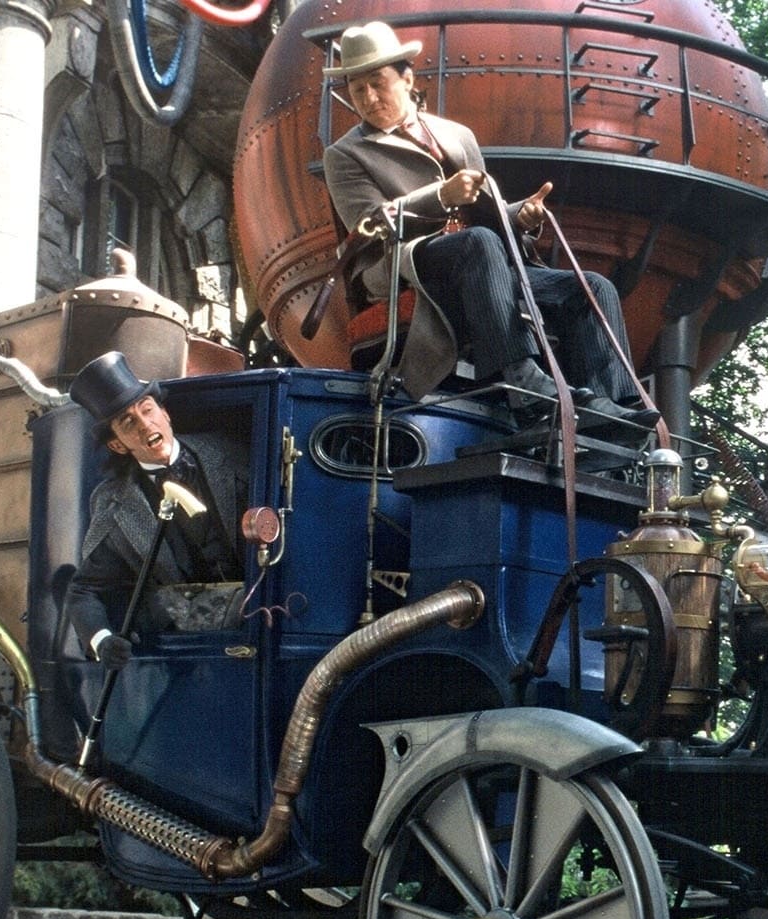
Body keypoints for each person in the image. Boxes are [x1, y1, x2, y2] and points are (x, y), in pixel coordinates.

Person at [320, 20, 658, 428]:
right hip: (407, 265)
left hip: (483, 263)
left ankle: (611, 412)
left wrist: (521, 217)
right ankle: (524, 383)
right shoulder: (344, 154)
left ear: (407, 79)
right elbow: (370, 223)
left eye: (378, 84)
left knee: (591, 287)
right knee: (477, 243)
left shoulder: (457, 135)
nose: (370, 98)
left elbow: (486, 210)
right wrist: (441, 196)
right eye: (358, 90)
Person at [64, 351, 247, 669]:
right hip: (182, 655)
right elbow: (84, 590)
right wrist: (102, 640)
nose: (145, 424)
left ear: (166, 413)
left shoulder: (233, 456)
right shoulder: (113, 503)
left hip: (257, 631)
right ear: (118, 444)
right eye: (128, 422)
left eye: (148, 410)